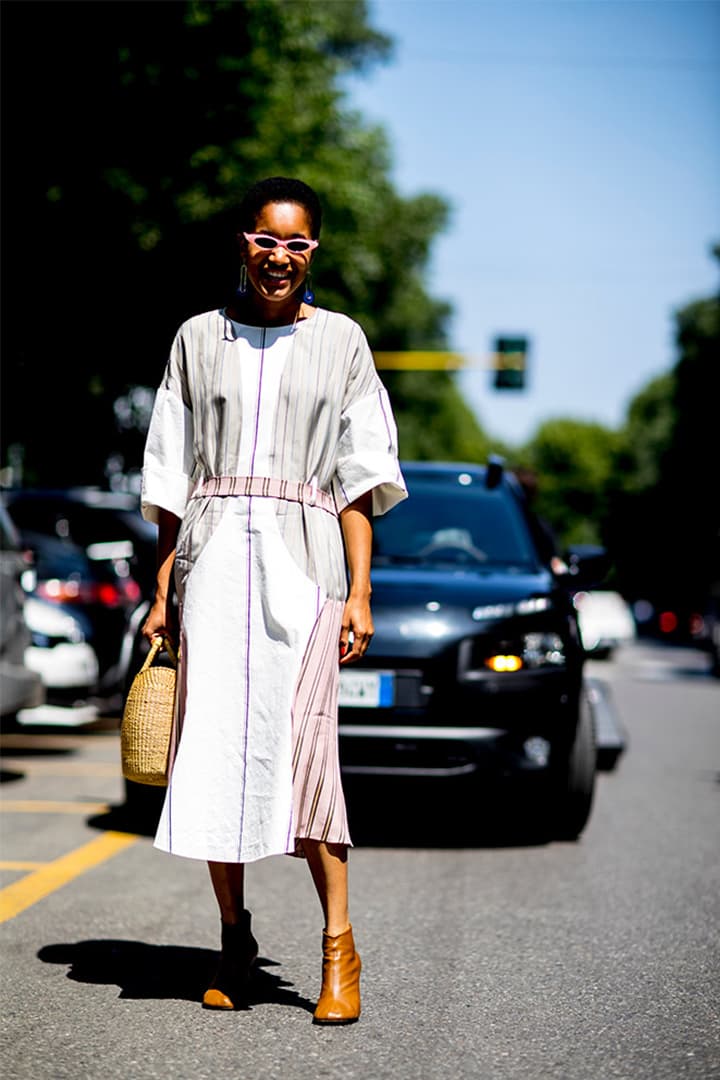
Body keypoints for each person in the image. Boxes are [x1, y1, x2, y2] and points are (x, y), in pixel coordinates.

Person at [140, 176, 407, 1024]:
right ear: (243, 242)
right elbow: (170, 473)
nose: (279, 257)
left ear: (314, 251)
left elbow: (360, 479)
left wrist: (362, 592)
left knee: (307, 760)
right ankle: (233, 940)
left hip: (308, 569)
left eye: (296, 244)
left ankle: (339, 951)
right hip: (213, 570)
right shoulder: (197, 339)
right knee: (216, 759)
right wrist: (162, 587)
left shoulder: (343, 343)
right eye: (266, 240)